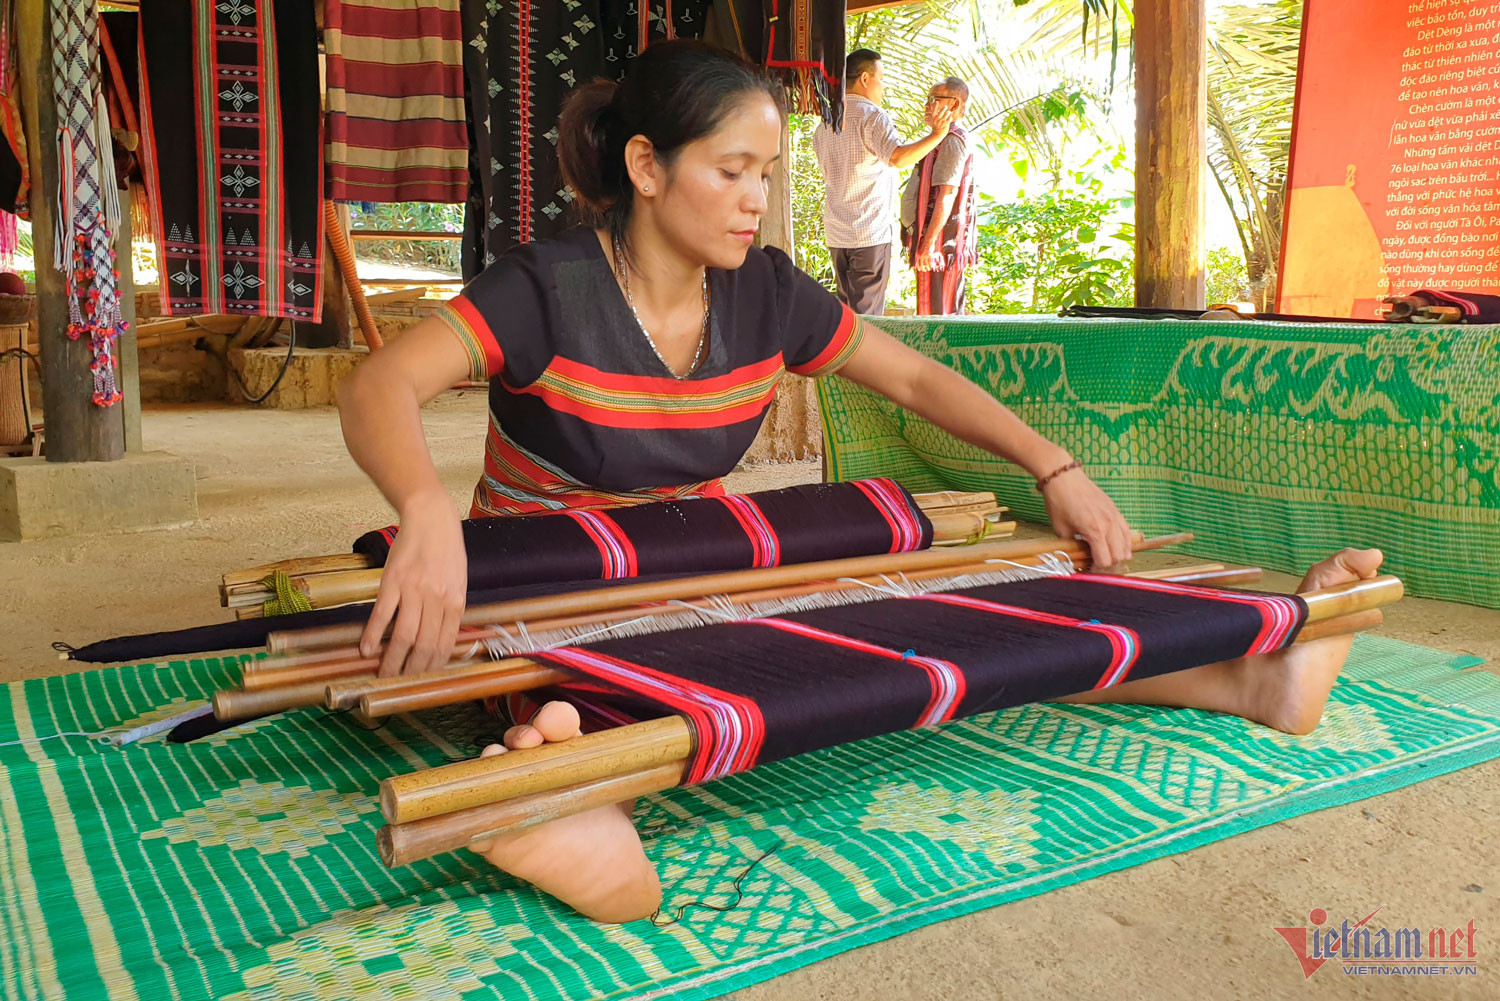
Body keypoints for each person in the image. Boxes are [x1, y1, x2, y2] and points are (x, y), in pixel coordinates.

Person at [336, 41, 1383, 924]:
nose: (757, 201)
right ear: (646, 166)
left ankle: (1248, 677)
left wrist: (1054, 466)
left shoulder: (766, 295)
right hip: (547, 573)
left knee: (926, 615)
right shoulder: (547, 289)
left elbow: (916, 379)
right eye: (732, 172)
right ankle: (570, 785)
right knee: (598, 665)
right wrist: (426, 514)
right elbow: (381, 383)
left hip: (699, 558)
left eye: (767, 174)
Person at [812, 48, 954, 317]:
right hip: (868, 233)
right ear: (865, 78)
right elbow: (897, 158)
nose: (884, 87)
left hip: (837, 233)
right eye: (882, 78)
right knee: (867, 320)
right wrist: (937, 134)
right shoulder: (872, 116)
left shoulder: (826, 122)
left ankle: (844, 347)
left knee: (847, 317)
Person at [901, 77, 978, 315]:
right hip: (933, 243)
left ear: (954, 104)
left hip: (941, 246)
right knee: (930, 313)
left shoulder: (952, 140)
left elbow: (948, 194)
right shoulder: (939, 138)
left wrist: (929, 244)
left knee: (939, 316)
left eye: (934, 99)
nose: (927, 105)